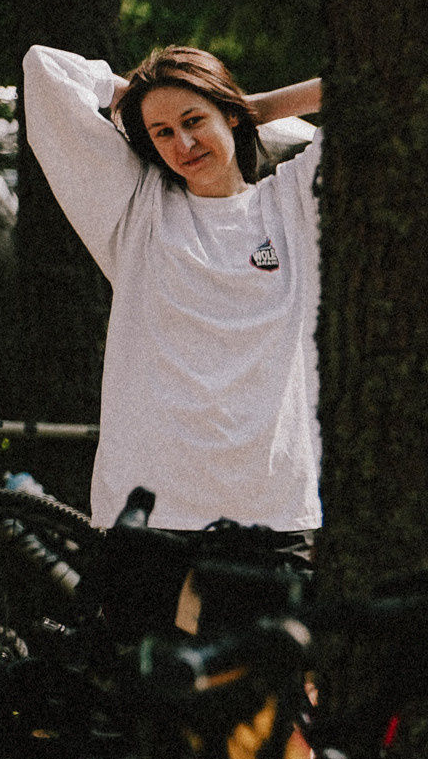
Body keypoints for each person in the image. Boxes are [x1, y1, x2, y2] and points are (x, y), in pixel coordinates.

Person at [22, 44, 326, 534]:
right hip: (150, 511)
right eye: (163, 132)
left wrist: (254, 108)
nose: (182, 144)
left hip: (274, 509)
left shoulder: (292, 203)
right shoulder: (135, 211)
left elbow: (371, 93)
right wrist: (137, 99)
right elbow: (44, 69)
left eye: (194, 120)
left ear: (228, 113)